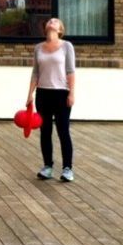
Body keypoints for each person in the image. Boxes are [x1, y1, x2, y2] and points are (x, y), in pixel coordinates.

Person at [27, 17, 76, 181]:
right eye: (49, 21)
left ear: (60, 29)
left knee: (63, 131)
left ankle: (67, 168)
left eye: (55, 21)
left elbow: (70, 71)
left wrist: (72, 93)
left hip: (61, 93)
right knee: (45, 131)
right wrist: (30, 94)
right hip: (43, 93)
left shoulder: (66, 46)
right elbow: (35, 72)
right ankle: (48, 166)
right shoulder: (38, 48)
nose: (51, 22)